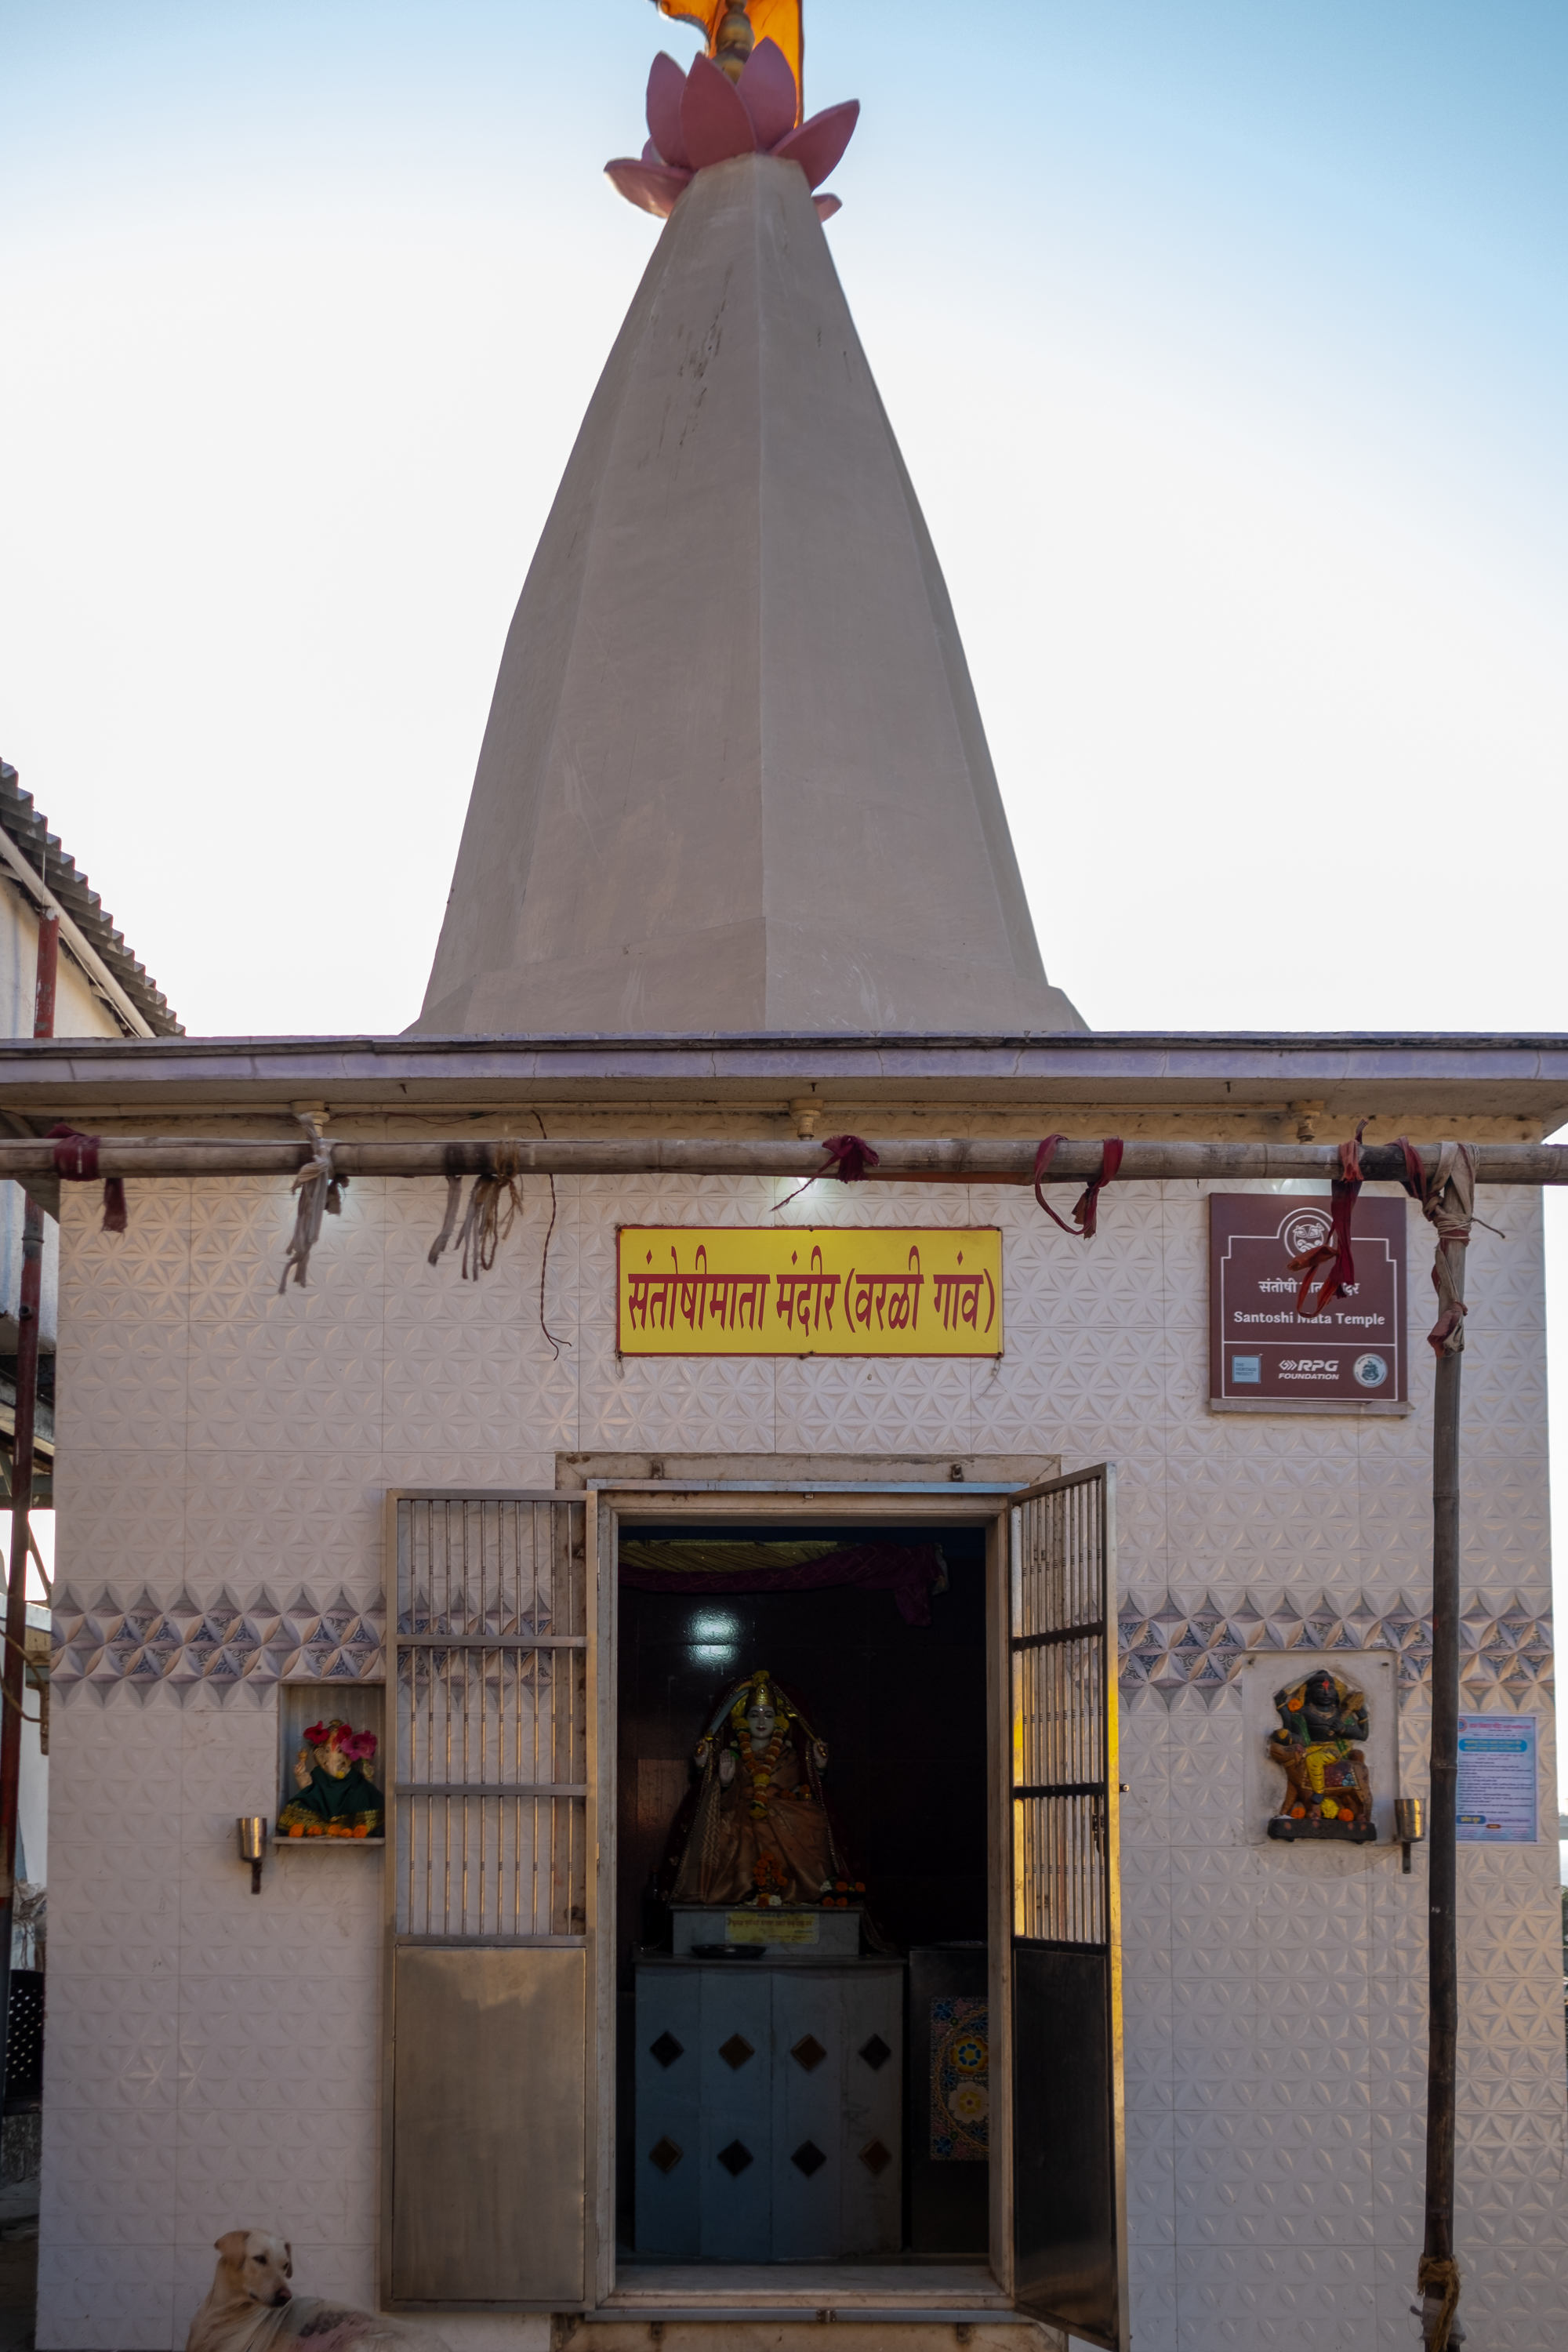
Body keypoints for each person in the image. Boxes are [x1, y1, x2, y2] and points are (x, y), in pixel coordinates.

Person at [665, 1668, 848, 1906]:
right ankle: (745, 1890)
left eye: (768, 1715)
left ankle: (799, 1889)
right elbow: (717, 1799)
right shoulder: (734, 1754)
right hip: (741, 1815)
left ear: (778, 1720)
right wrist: (724, 1780)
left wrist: (820, 1767)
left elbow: (807, 1789)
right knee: (725, 1833)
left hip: (784, 1814)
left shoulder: (790, 1755)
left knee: (812, 1821)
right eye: (755, 1715)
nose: (761, 1722)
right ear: (744, 1719)